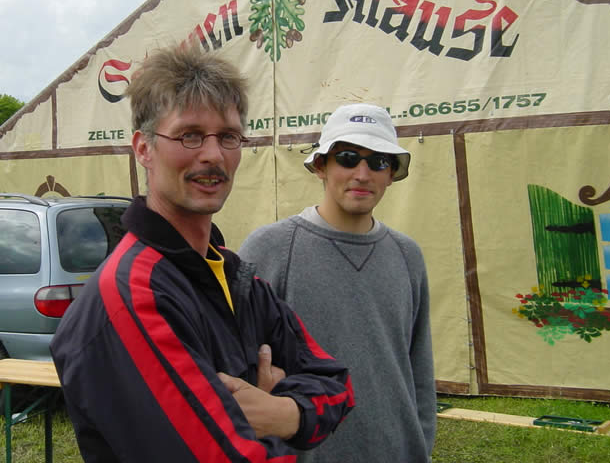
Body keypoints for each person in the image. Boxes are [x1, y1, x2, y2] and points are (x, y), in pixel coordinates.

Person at [50, 47, 354, 462]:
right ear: (143, 148)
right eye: (189, 135)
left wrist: (282, 413)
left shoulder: (235, 276)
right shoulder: (132, 295)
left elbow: (337, 383)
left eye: (228, 136)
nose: (213, 155)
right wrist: (290, 419)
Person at [239, 103, 436, 462]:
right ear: (320, 166)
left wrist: (420, 444)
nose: (362, 174)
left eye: (378, 161)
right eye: (347, 158)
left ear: (392, 173)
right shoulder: (270, 248)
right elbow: (240, 365)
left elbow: (418, 368)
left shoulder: (407, 255)